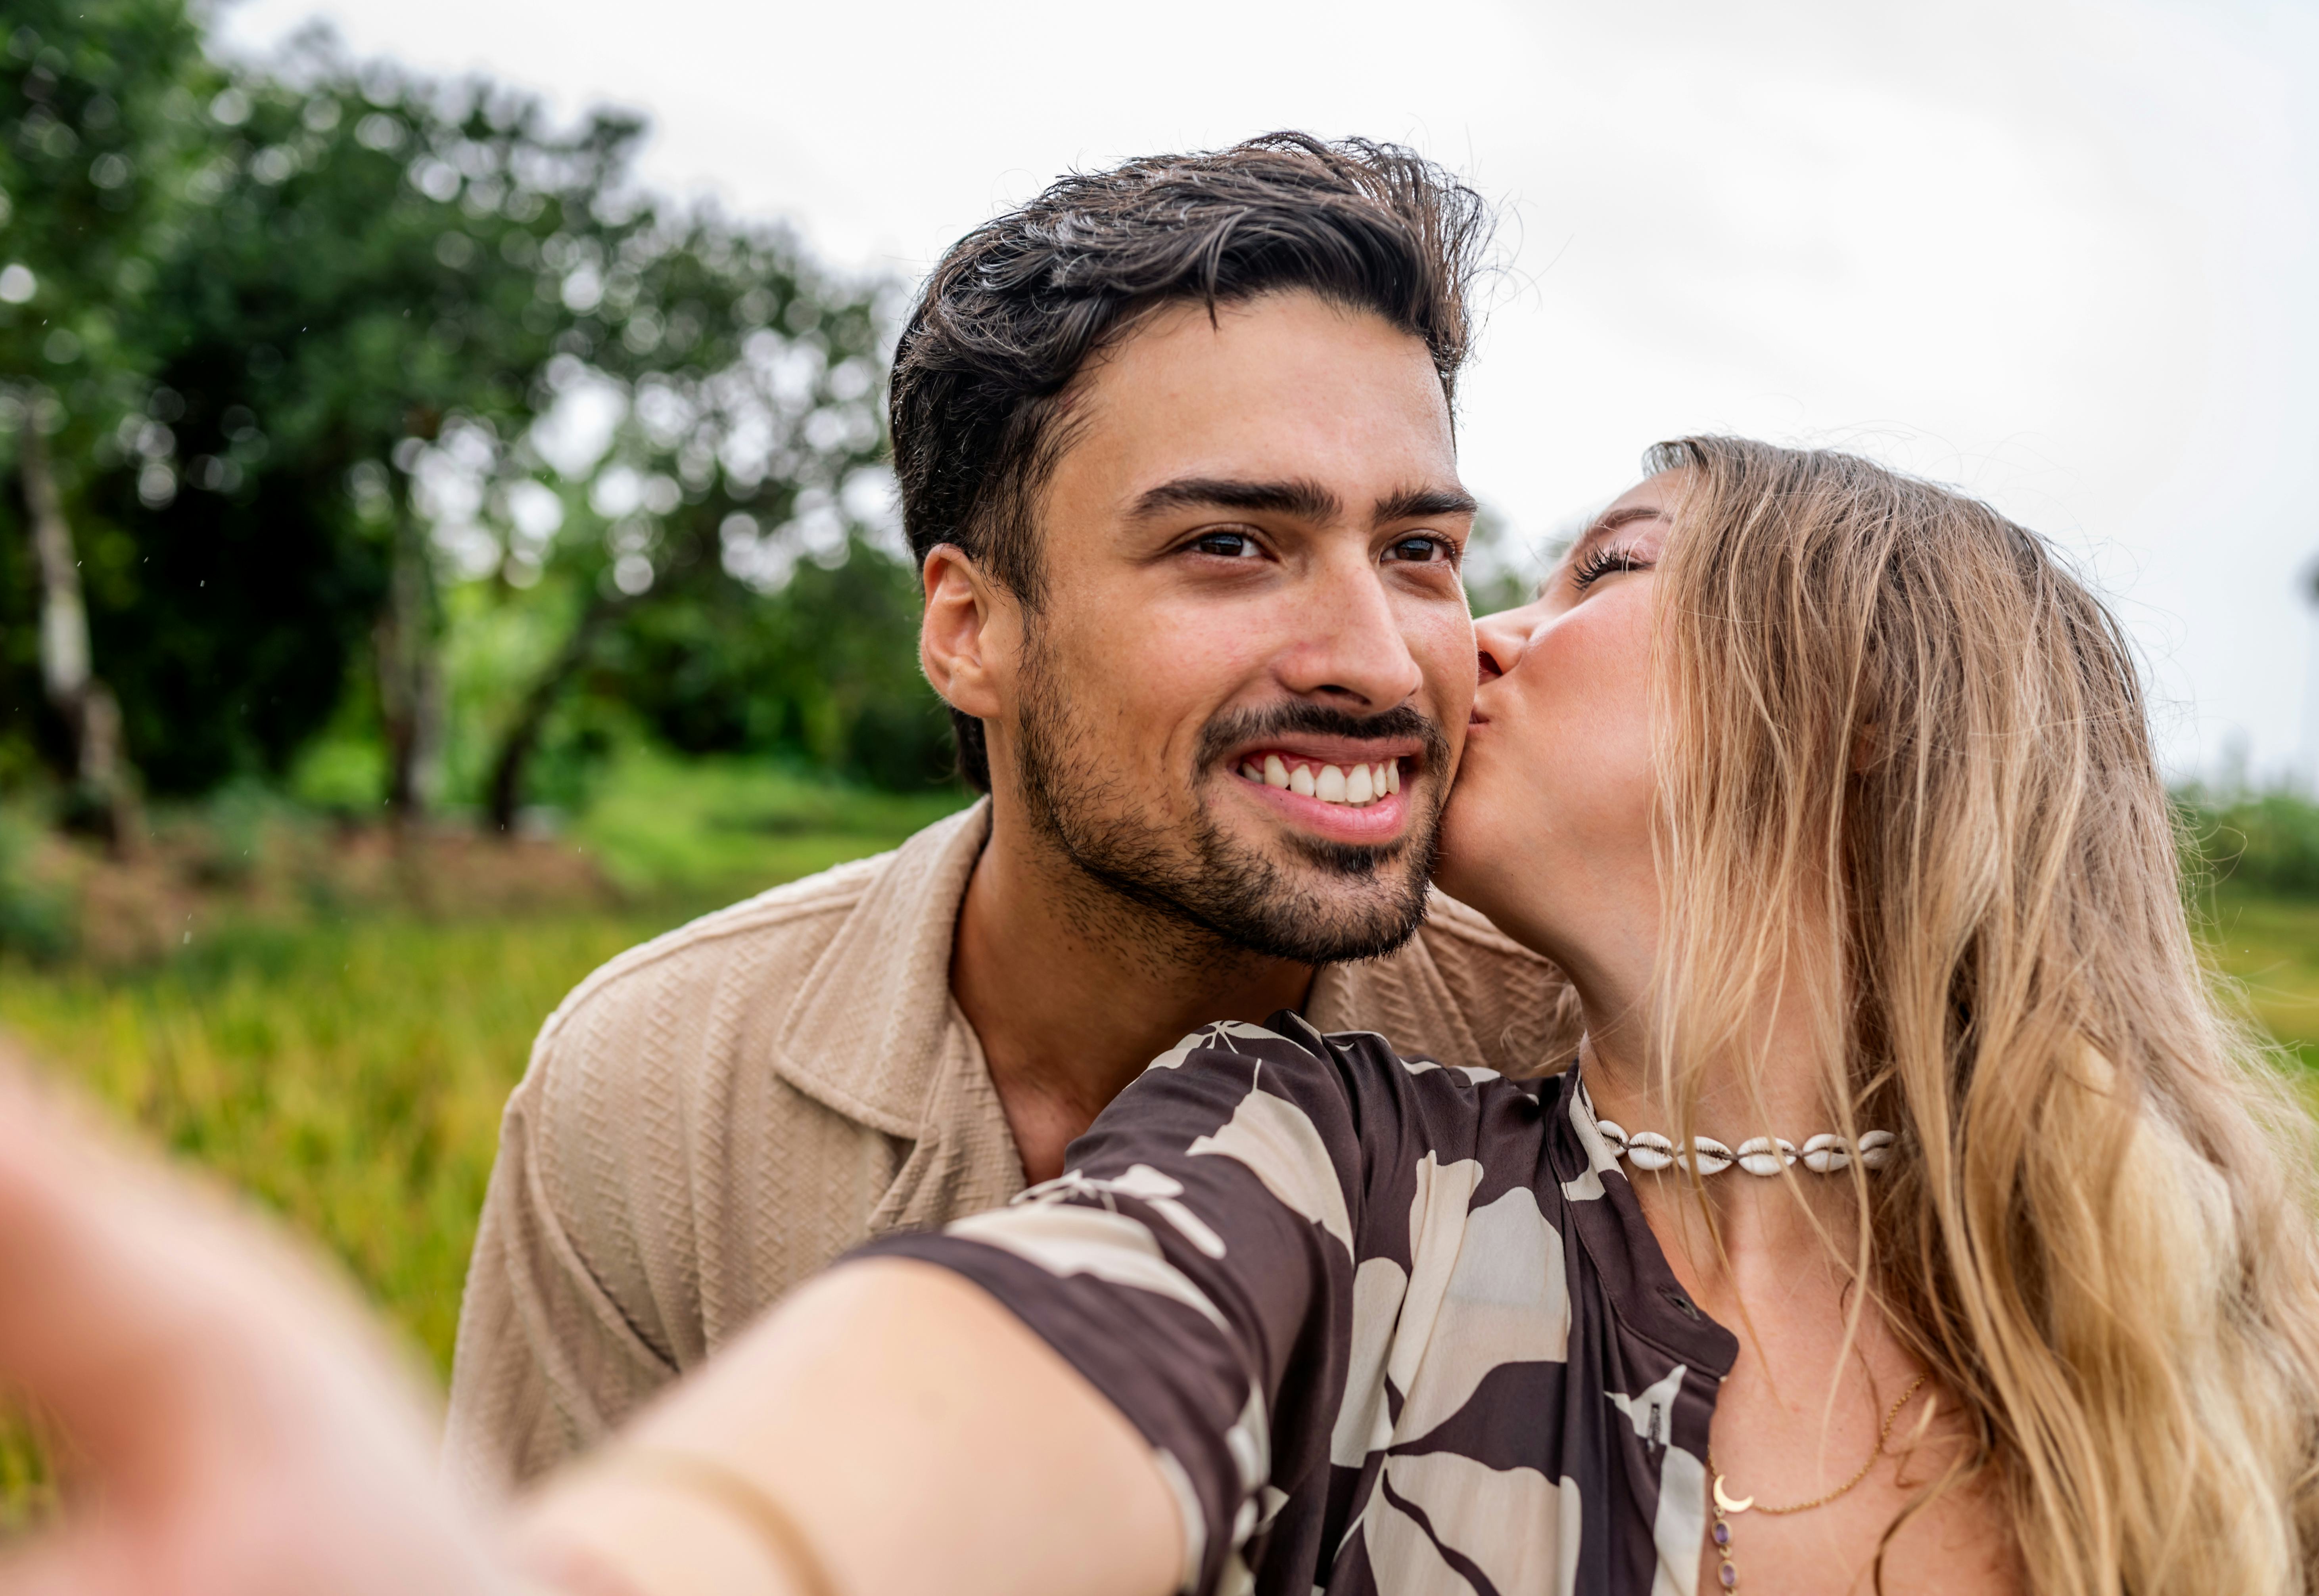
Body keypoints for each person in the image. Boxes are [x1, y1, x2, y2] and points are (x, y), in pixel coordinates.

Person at [5, 439, 2319, 1596]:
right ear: (974, 618)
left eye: (1592, 576)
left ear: (1861, 726)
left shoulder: (2281, 1389)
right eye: (1233, 544)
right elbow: (1000, 1387)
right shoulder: (1325, 1165)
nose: (1460, 645)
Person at [443, 133, 1583, 1498]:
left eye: (1419, 555)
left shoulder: (1574, 1049)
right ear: (971, 627)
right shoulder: (659, 1097)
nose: (1383, 662)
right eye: (1230, 545)